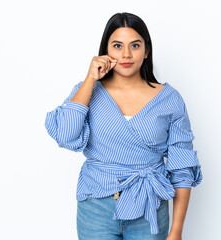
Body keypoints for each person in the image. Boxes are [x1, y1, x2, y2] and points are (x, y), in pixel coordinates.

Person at [45, 12, 203, 240]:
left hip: (149, 208)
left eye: (135, 45)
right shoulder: (88, 91)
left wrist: (177, 231)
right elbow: (66, 135)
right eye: (117, 45)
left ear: (146, 51)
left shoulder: (169, 99)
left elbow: (182, 168)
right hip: (96, 207)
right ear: (106, 51)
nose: (126, 54)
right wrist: (90, 79)